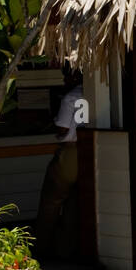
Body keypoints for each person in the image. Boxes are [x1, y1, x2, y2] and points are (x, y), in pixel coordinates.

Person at [34, 73, 86, 259]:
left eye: (67, 73)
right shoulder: (97, 94)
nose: (64, 78)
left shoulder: (71, 97)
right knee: (74, 204)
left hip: (71, 151)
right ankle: (67, 248)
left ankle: (41, 248)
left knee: (51, 201)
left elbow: (63, 127)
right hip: (90, 151)